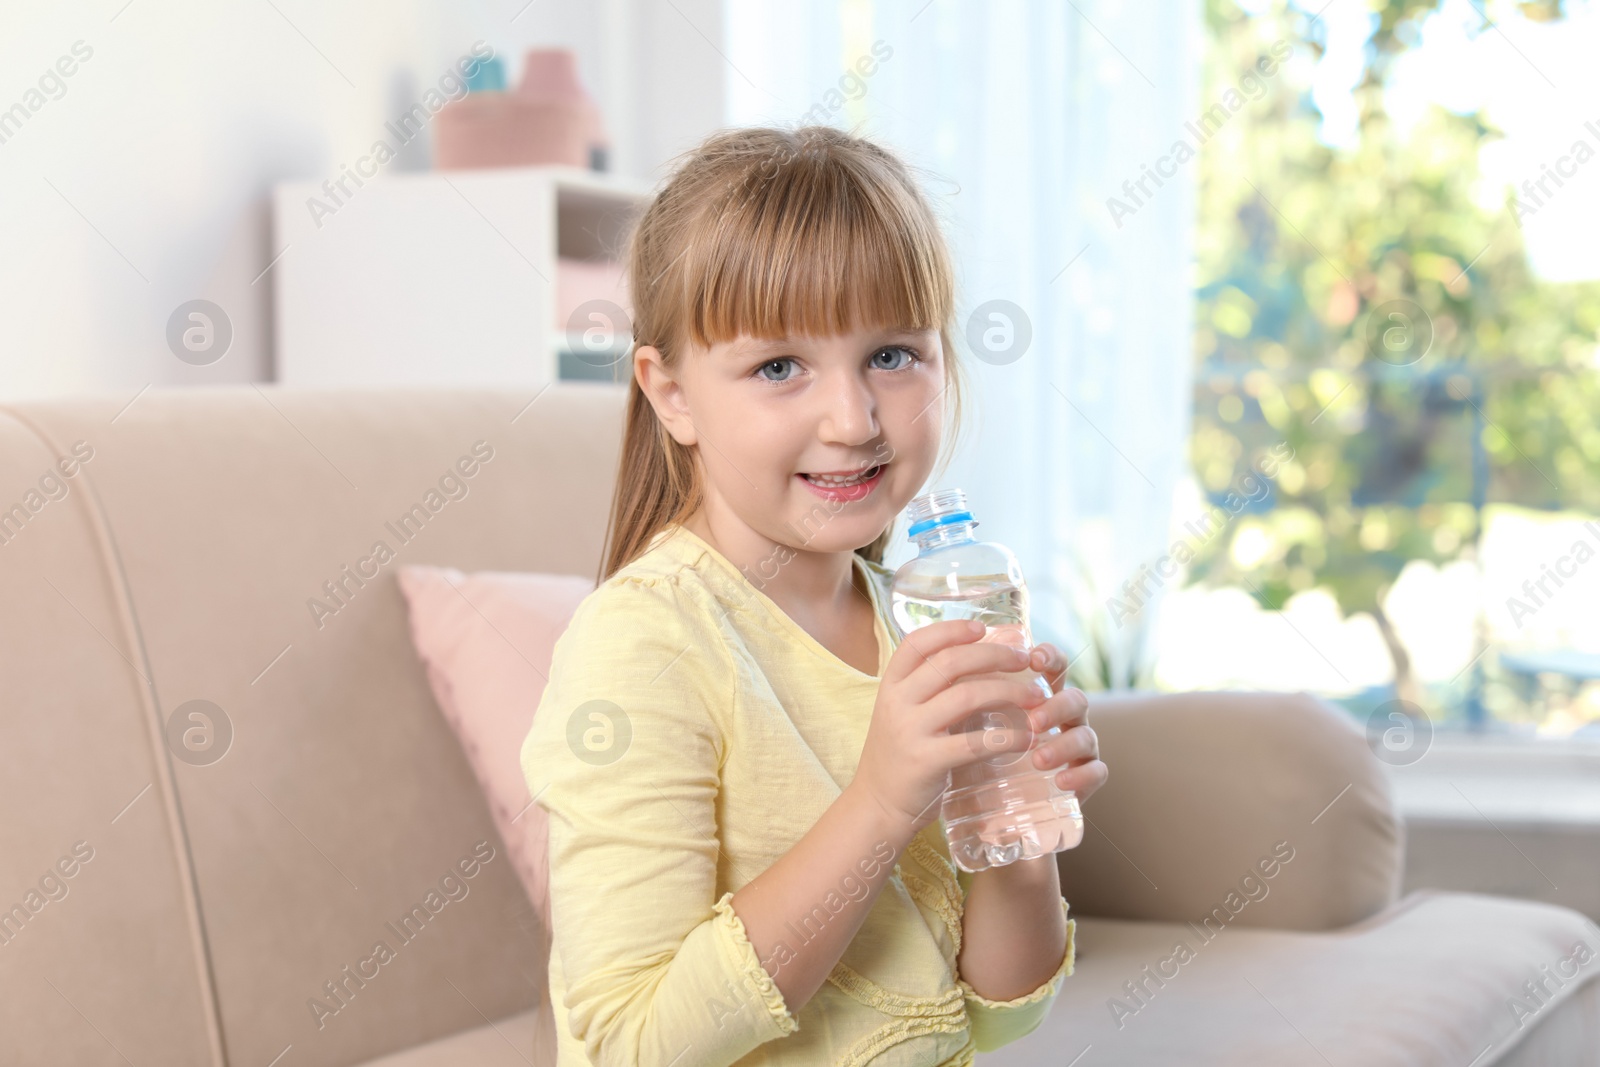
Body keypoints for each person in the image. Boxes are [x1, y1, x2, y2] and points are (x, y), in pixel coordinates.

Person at [521, 124, 1107, 1067]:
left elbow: (995, 1013)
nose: (854, 419)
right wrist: (881, 800)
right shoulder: (645, 640)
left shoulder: (908, 618)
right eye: (779, 367)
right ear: (670, 394)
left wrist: (1016, 816)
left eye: (892, 354)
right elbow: (634, 1044)